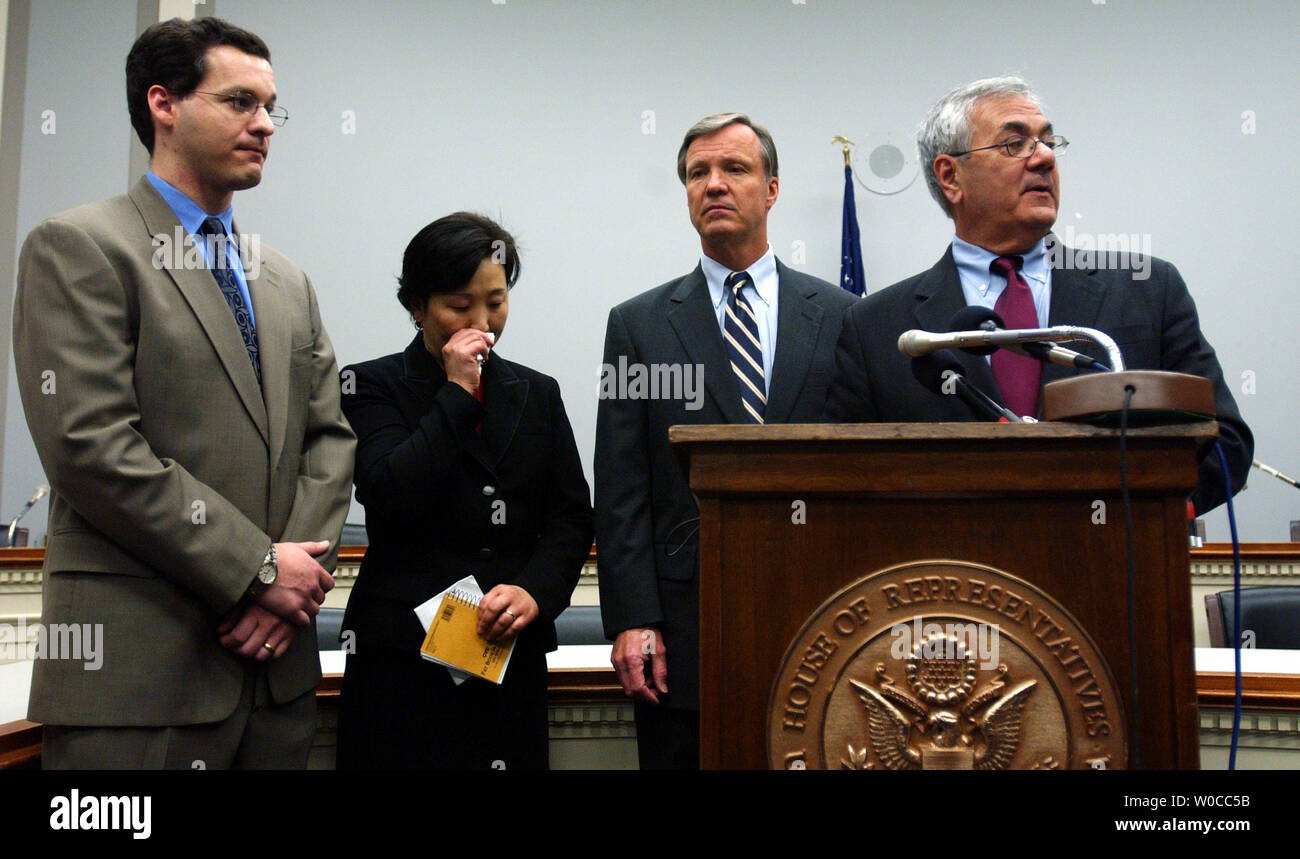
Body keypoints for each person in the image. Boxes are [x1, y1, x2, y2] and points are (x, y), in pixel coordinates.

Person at [11, 17, 355, 768]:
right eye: (239, 102)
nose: (264, 125)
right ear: (163, 105)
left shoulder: (286, 278)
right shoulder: (79, 247)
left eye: (271, 107)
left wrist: (289, 586)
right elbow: (89, 447)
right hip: (136, 679)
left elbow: (331, 439)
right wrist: (259, 570)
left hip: (275, 680)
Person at [826, 76, 1251, 513]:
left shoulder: (1148, 290)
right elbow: (843, 475)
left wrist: (1154, 511)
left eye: (1048, 142)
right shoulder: (878, 327)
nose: (1044, 157)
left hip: (1116, 563)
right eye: (1015, 144)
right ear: (950, 176)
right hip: (953, 574)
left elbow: (1227, 439)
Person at [595, 113, 858, 769]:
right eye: (696, 173)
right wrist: (632, 618)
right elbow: (622, 486)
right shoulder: (636, 325)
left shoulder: (843, 315)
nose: (713, 184)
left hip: (822, 613)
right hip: (685, 636)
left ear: (772, 188)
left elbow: (861, 470)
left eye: (734, 169)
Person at [337, 212, 592, 769]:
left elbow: (571, 517)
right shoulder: (370, 384)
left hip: (506, 655)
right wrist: (456, 391)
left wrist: (534, 592)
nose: (483, 321)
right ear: (417, 306)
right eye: (459, 305)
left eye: (496, 301)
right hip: (400, 659)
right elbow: (390, 492)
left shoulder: (537, 393)